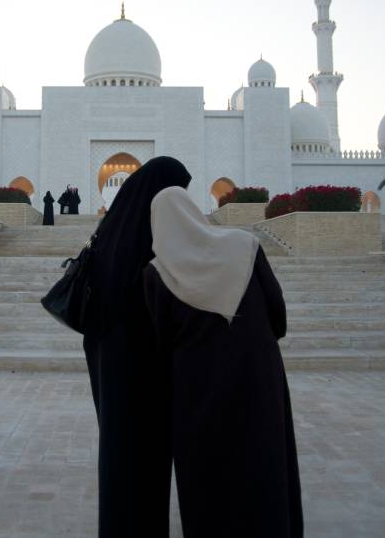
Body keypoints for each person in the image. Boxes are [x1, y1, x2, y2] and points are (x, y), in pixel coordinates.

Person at [143, 186, 303, 537]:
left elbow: (163, 340)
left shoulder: (158, 272)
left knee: (209, 474)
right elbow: (278, 311)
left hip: (197, 389)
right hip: (258, 377)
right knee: (263, 459)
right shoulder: (244, 245)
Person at [83, 156, 191, 538]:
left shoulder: (112, 230)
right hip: (145, 372)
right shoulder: (156, 238)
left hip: (109, 365)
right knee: (147, 461)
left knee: (118, 456)